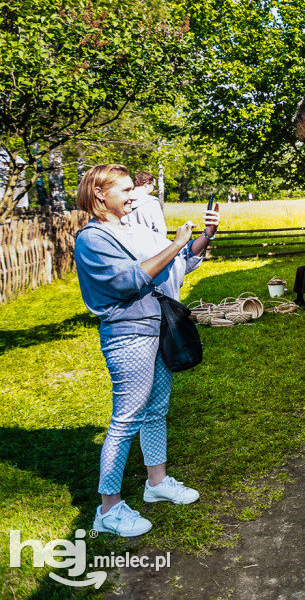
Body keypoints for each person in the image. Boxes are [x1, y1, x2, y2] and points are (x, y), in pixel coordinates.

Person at [74, 164, 220, 537]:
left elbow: (179, 263)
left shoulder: (135, 230)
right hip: (129, 335)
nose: (133, 195)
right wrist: (174, 243)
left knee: (156, 410)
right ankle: (108, 509)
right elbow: (129, 280)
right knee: (126, 419)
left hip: (160, 330)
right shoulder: (92, 239)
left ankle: (156, 483)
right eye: (124, 189)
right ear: (99, 195)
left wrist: (205, 235)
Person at [123, 171, 166, 236]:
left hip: (127, 241)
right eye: (153, 186)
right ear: (146, 185)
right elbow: (160, 229)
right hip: (148, 241)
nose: (153, 190)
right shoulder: (152, 202)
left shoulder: (123, 199)